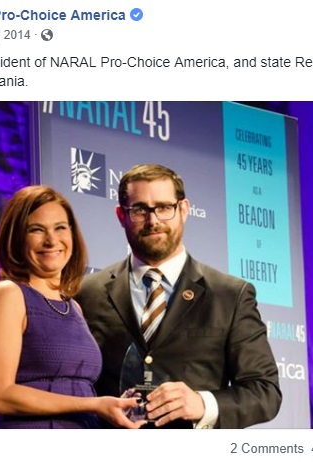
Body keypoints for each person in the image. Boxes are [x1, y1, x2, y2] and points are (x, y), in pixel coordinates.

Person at [76, 164, 282, 429]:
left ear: (183, 209)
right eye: (140, 210)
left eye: (164, 207)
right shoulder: (87, 293)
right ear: (121, 215)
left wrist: (201, 403)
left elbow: (264, 392)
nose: (153, 221)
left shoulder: (230, 295)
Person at [0, 185, 144, 429]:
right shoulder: (9, 294)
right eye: (36, 230)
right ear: (16, 237)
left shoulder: (73, 306)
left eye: (60, 228)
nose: (51, 240)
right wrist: (94, 405)